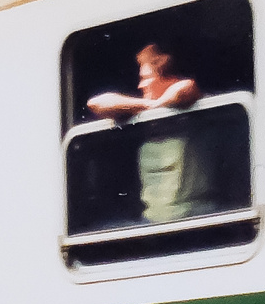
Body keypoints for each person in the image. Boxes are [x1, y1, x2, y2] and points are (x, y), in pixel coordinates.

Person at [87, 43, 216, 224]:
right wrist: (148, 106)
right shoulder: (144, 111)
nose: (140, 85)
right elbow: (97, 104)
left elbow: (185, 89)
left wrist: (156, 106)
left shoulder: (194, 105)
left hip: (195, 218)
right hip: (153, 220)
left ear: (168, 76)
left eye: (146, 77)